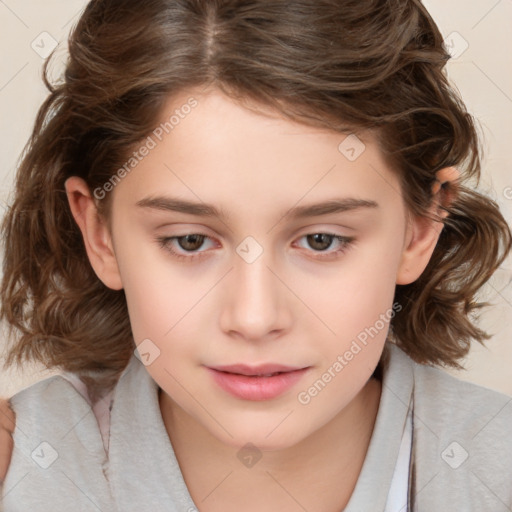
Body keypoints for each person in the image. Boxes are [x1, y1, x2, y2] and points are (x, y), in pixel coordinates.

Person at [1, 0, 511, 510]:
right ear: (100, 234)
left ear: (419, 229)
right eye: (190, 241)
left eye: (321, 240)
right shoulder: (20, 470)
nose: (254, 318)